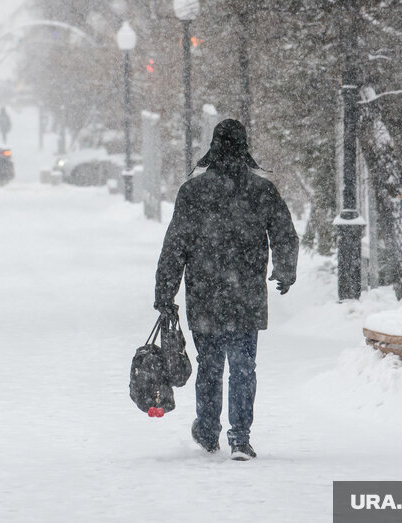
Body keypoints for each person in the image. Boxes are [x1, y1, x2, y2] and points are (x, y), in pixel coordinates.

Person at [154, 119, 298, 461]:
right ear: (245, 149)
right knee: (244, 366)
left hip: (205, 295)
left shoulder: (193, 192)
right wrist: (284, 271)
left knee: (210, 365)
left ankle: (207, 430)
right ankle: (240, 436)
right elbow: (284, 233)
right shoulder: (261, 191)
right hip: (246, 296)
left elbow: (175, 245)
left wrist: (165, 293)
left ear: (213, 149)